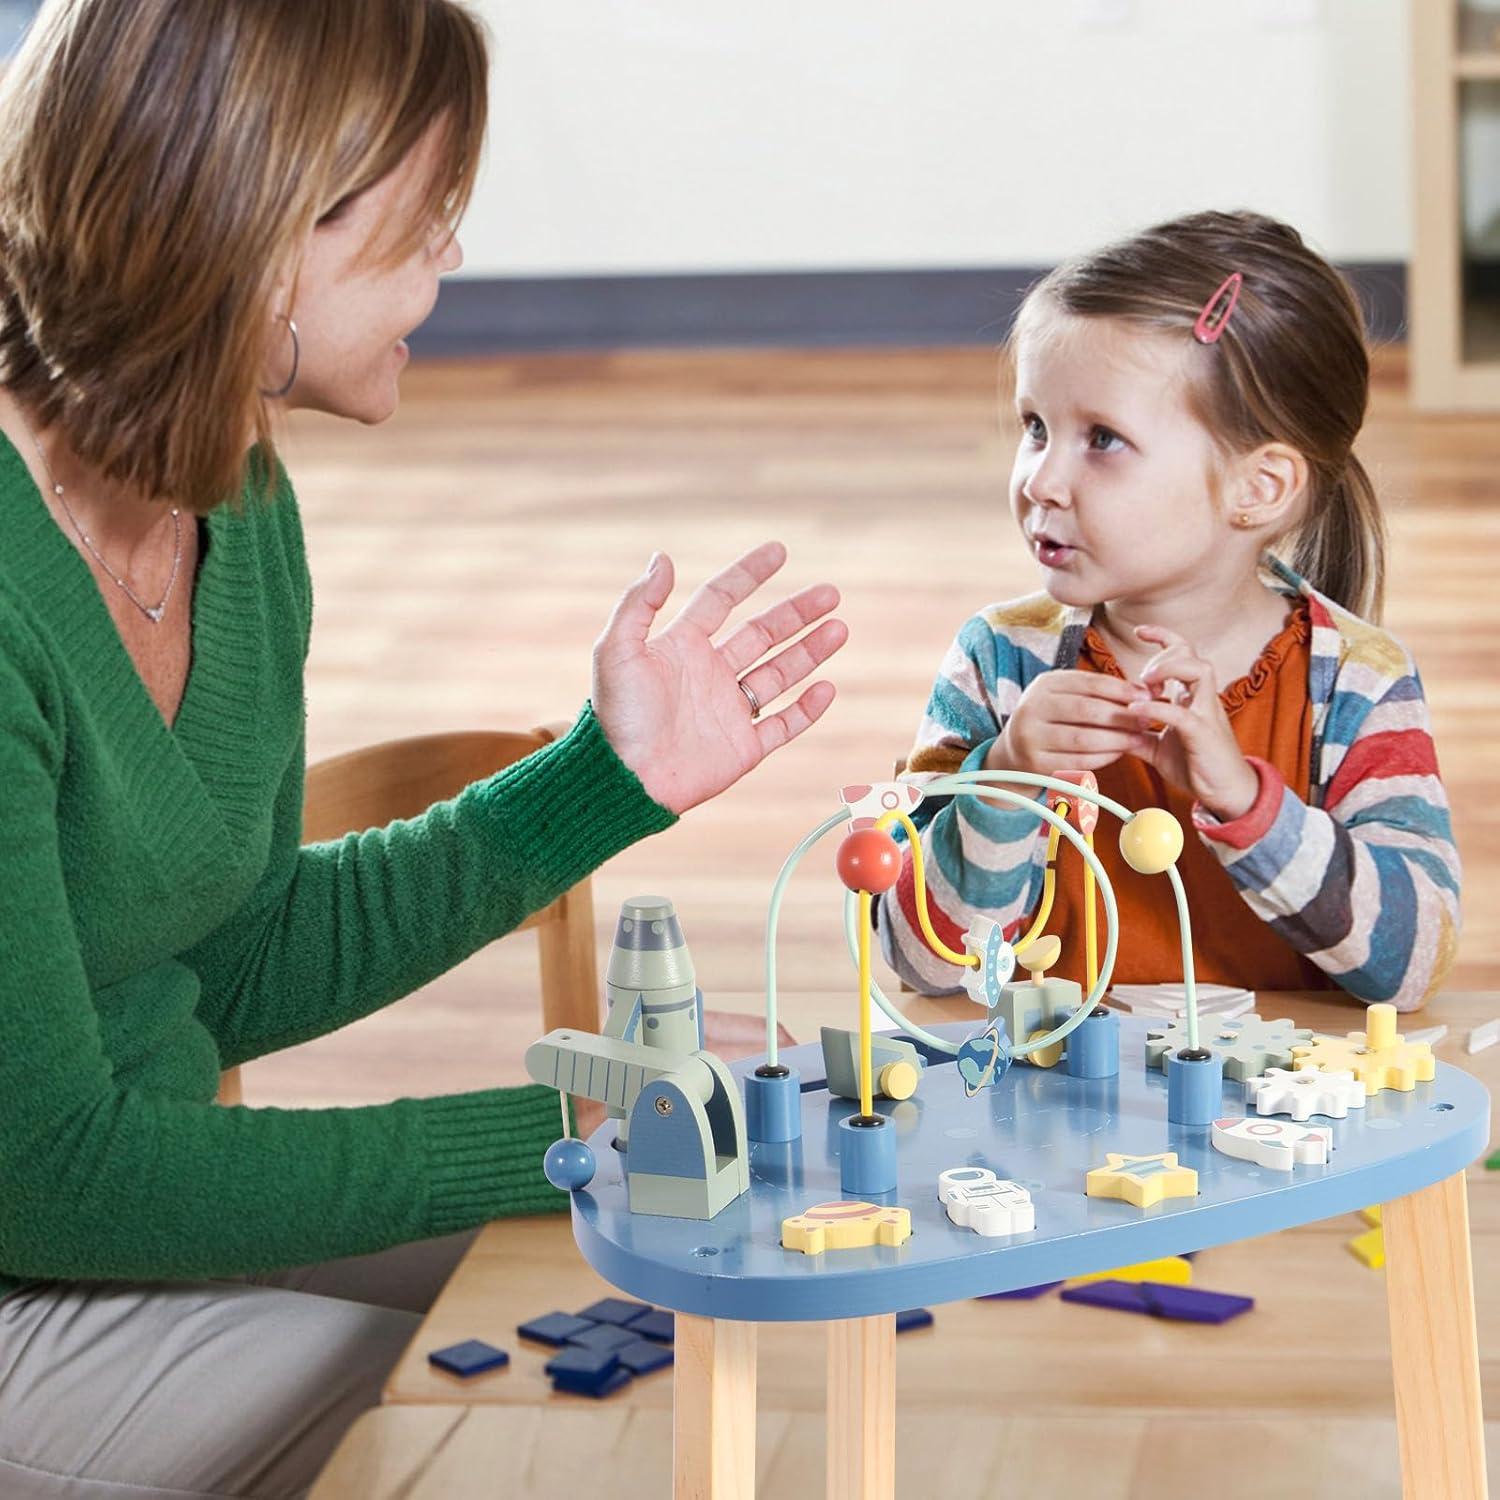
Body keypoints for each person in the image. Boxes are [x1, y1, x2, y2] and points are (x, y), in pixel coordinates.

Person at [0, 2, 846, 1495]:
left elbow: (228, 960)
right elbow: (51, 1172)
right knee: (515, 1436)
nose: (452, 261)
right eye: (420, 225)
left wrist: (604, 782)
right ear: (260, 239)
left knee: (709, 1276)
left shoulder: (234, 506)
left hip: (109, 1207)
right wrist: (565, 1129)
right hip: (36, 1245)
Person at [878, 210, 1459, 1013]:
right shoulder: (997, 661)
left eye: (1103, 439)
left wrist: (1250, 806)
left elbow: (1413, 964)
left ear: (1259, 489)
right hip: (1059, 1113)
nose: (1042, 480)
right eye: (1036, 428)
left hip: (1294, 1116)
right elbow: (921, 964)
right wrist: (1003, 780)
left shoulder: (1362, 682)